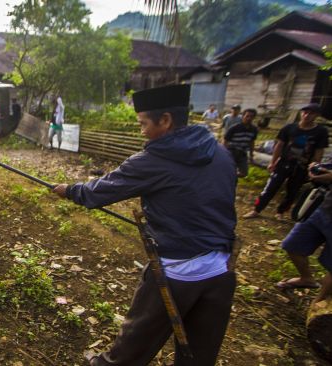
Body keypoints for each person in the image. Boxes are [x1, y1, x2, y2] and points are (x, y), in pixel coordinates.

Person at [52, 84, 237, 366]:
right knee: (200, 358)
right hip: (221, 271)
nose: (141, 132)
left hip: (176, 274)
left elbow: (97, 192)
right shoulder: (221, 153)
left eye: (143, 124)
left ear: (165, 120)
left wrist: (70, 190)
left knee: (130, 350)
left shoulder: (153, 160)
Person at [243, 103, 328, 220]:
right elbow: (279, 145)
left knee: (292, 191)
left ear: (317, 115)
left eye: (311, 113)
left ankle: (280, 212)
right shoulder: (289, 128)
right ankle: (256, 210)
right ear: (301, 113)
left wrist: (314, 167)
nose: (307, 115)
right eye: (305, 112)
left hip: (302, 166)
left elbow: (319, 151)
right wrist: (273, 162)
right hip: (283, 163)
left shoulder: (320, 132)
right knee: (270, 188)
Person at [275, 150, 332, 304]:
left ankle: (318, 307)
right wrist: (319, 168)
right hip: (326, 208)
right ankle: (307, 278)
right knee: (293, 245)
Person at [224, 108, 258, 178]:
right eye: (247, 116)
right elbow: (225, 141)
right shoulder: (235, 127)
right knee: (227, 169)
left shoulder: (254, 129)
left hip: (243, 153)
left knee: (244, 173)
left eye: (251, 116)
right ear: (243, 116)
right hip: (232, 151)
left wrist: (251, 155)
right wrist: (224, 153)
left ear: (254, 118)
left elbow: (252, 142)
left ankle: (231, 176)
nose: (249, 118)